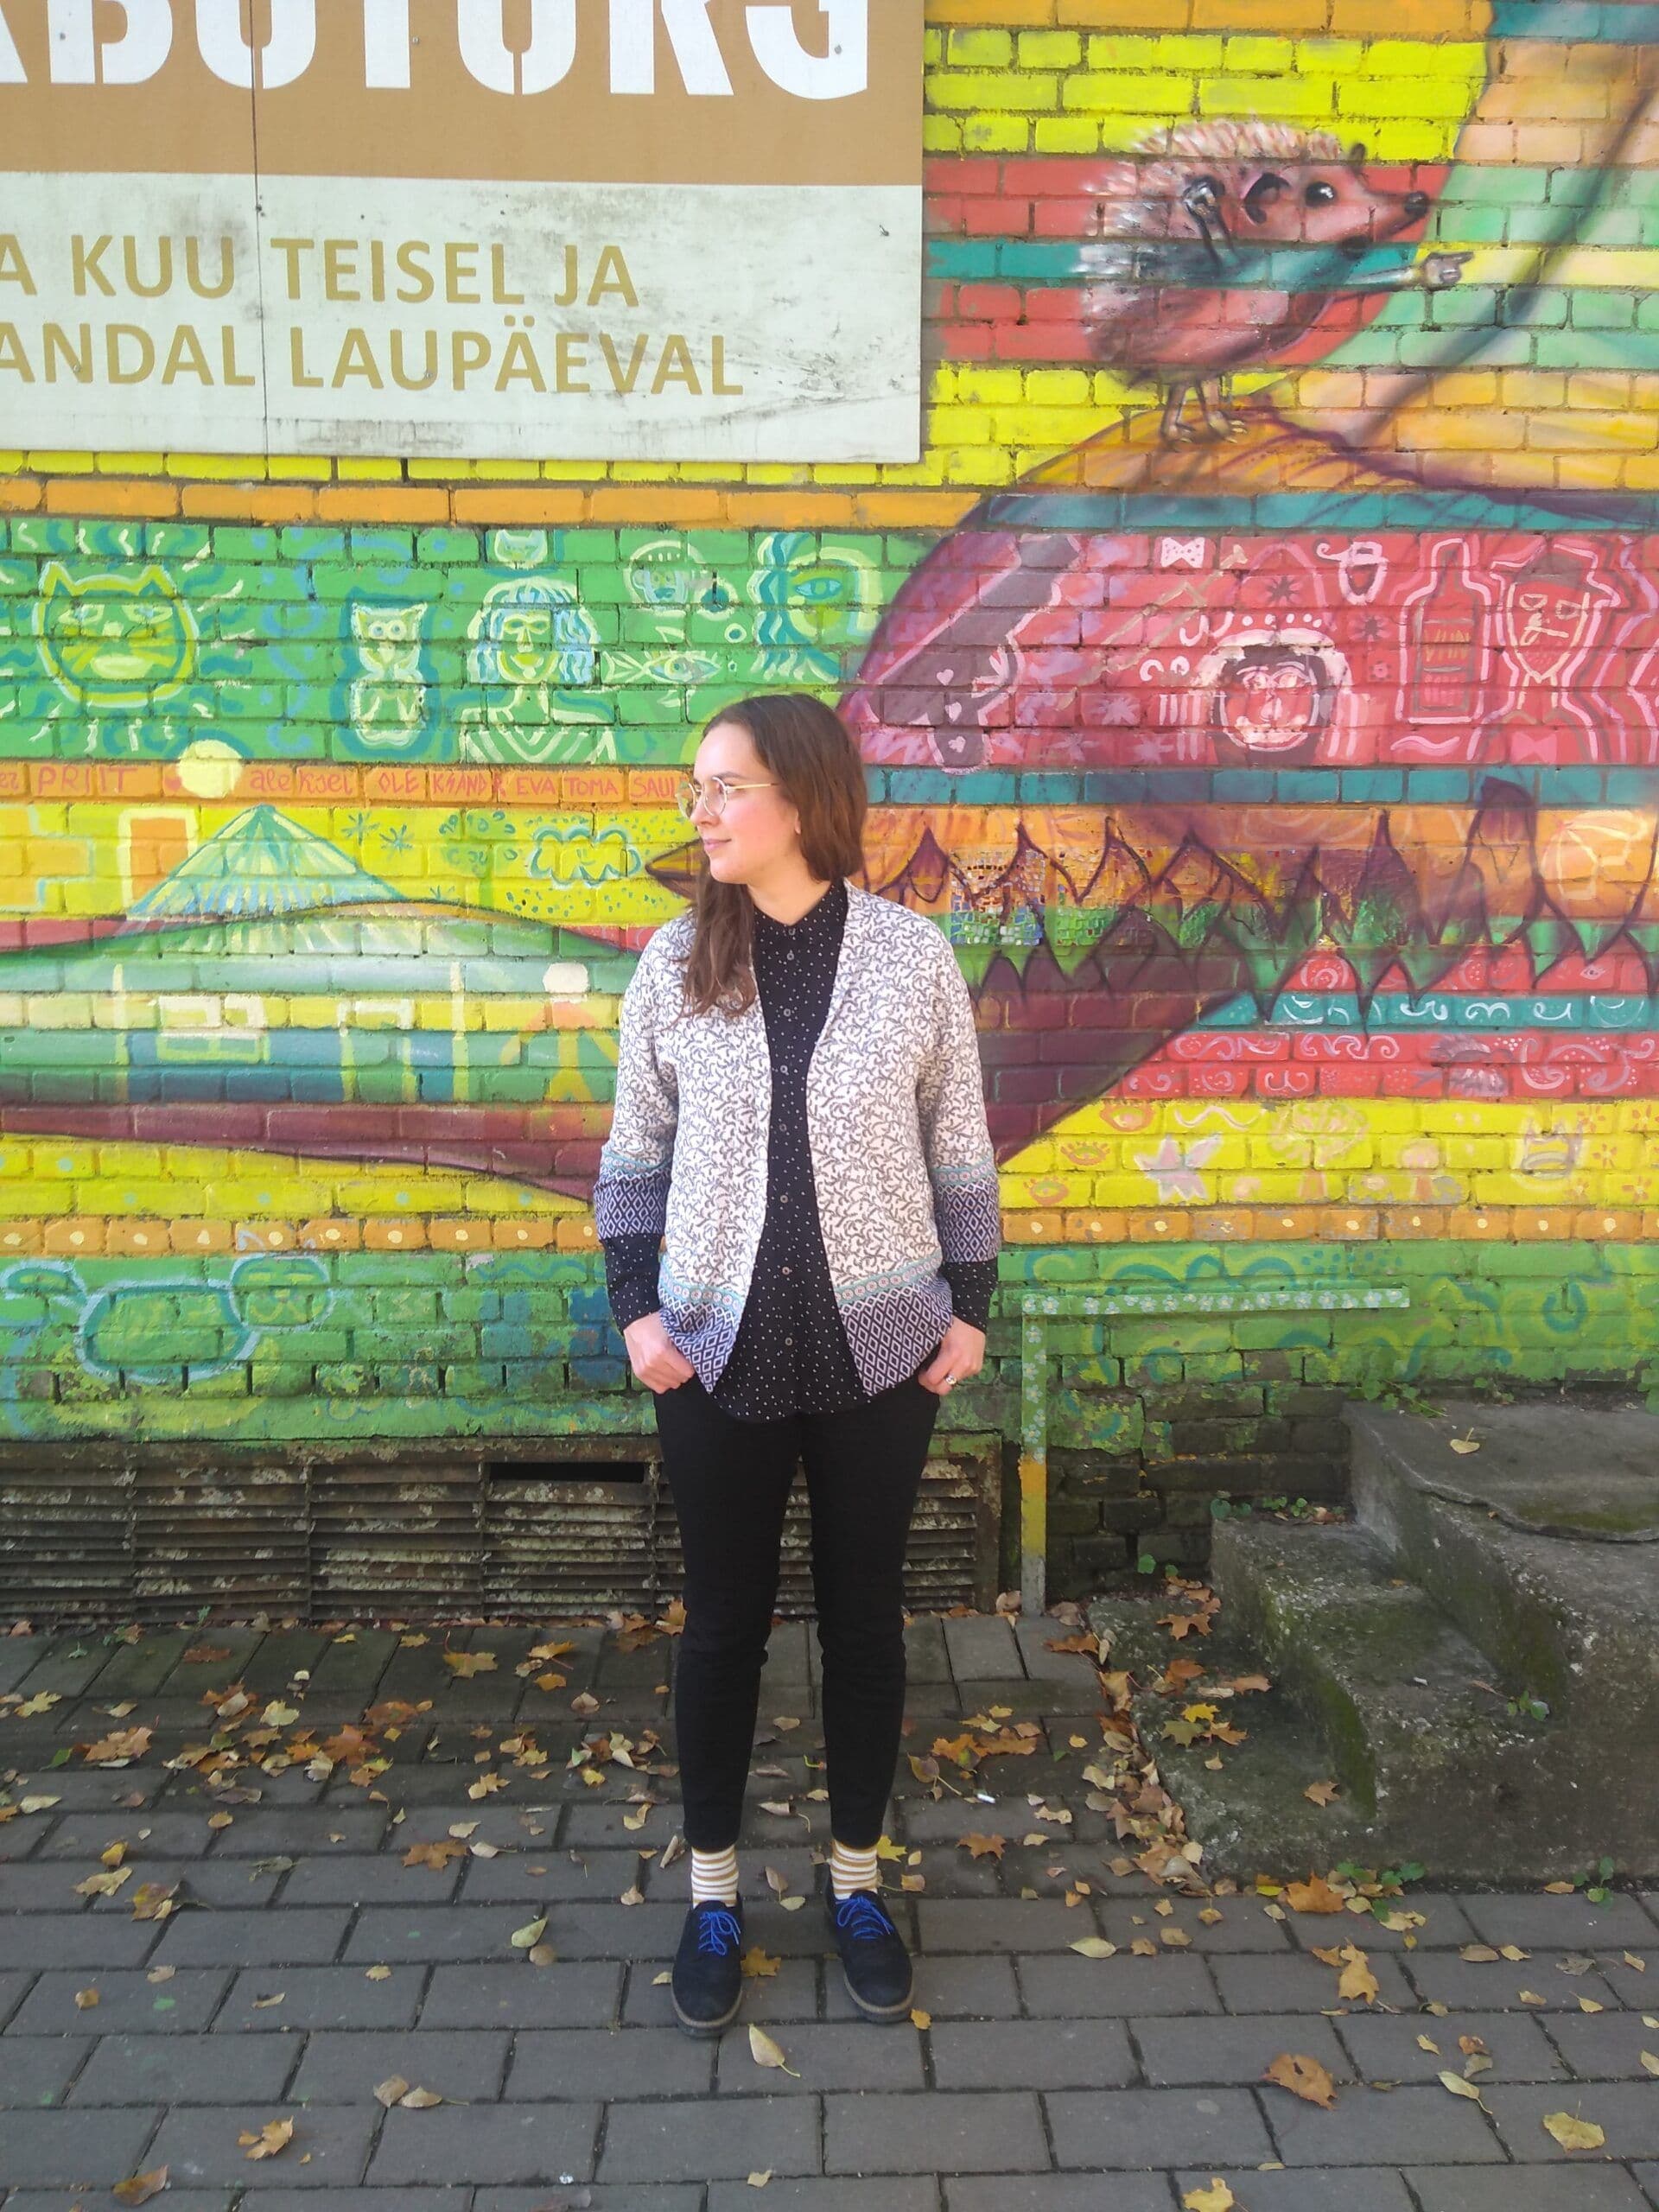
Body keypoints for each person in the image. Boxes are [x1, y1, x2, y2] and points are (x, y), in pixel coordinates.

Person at [593, 692, 1001, 2038]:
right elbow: (633, 1155)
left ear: (806, 800)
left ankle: (856, 1882)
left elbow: (959, 1145)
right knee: (722, 1628)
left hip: (883, 1350)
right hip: (712, 1352)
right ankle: (713, 1894)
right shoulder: (676, 960)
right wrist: (638, 1315)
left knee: (866, 1624)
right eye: (696, 787)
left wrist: (970, 1307)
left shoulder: (910, 957)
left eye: (729, 787)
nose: (701, 811)